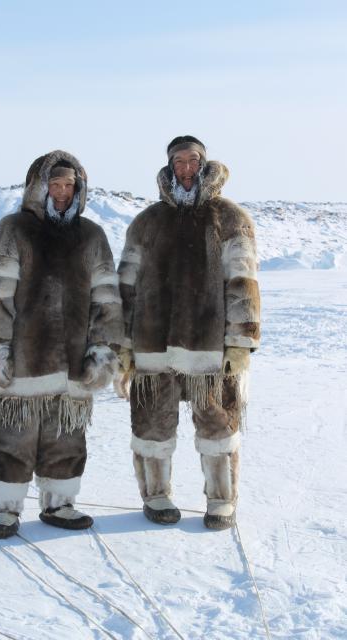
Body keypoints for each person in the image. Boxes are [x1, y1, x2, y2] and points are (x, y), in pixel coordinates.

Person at [0, 150, 123, 538]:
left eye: (68, 185)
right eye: (53, 184)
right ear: (37, 188)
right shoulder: (13, 229)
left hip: (74, 360)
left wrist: (103, 350)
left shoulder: (92, 235)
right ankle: (3, 508)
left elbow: (106, 299)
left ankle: (60, 502)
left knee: (66, 437)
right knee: (11, 435)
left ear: (79, 189)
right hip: (22, 358)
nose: (61, 192)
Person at [118, 136, 260, 530]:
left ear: (203, 164)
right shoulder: (147, 222)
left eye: (192, 160)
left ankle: (221, 499)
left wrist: (240, 342)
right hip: (152, 344)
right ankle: (156, 495)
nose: (185, 169)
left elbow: (243, 282)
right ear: (169, 167)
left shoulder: (229, 217)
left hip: (208, 344)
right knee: (151, 424)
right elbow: (126, 286)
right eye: (178, 162)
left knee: (218, 423)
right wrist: (123, 342)